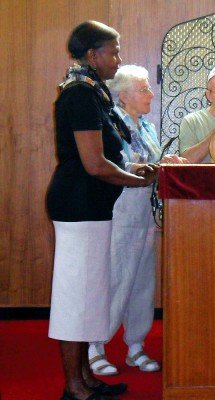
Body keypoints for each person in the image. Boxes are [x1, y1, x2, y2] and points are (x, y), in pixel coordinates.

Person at [47, 21, 159, 400]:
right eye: (113, 51)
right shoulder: (80, 94)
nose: (118, 58)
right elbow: (94, 164)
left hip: (92, 206)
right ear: (92, 55)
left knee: (91, 295)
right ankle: (75, 388)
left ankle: (87, 378)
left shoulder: (93, 92)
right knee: (74, 299)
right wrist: (136, 180)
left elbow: (107, 158)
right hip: (78, 206)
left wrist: (131, 170)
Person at [88, 65, 187, 376]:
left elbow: (150, 163)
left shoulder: (147, 126)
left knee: (143, 280)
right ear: (124, 96)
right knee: (116, 278)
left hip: (147, 211)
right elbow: (118, 165)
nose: (150, 94)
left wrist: (164, 163)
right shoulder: (111, 124)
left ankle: (135, 346)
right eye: (144, 89)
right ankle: (95, 346)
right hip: (123, 208)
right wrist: (154, 165)